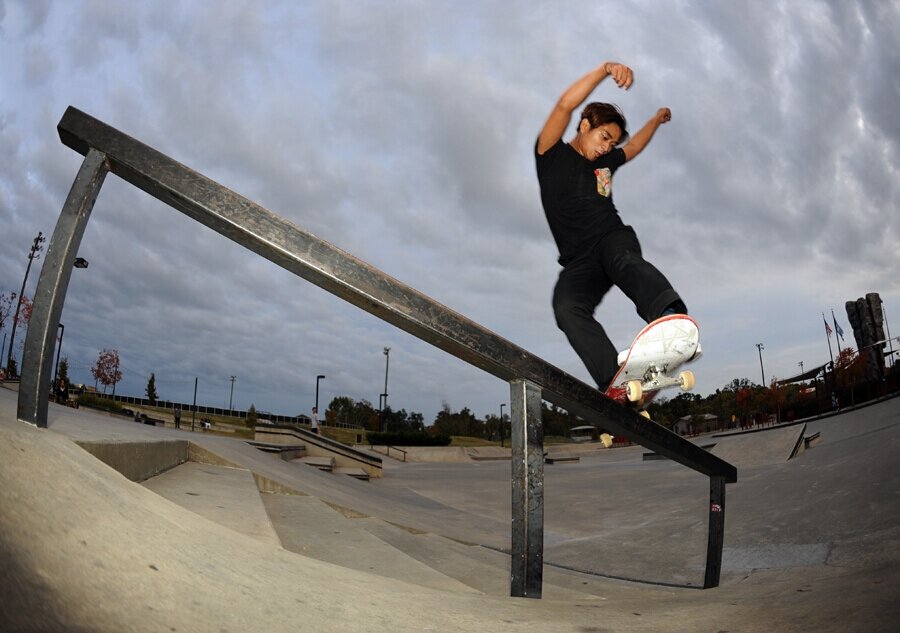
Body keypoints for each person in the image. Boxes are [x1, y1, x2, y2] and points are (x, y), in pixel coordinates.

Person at [535, 60, 687, 395]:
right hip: (580, 263)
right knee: (565, 306)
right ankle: (614, 383)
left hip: (611, 239)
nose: (606, 147)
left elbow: (633, 147)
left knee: (624, 261)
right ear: (585, 125)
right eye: (604, 137)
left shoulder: (606, 162)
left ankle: (668, 315)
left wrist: (656, 120)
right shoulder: (550, 153)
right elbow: (564, 104)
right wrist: (605, 69)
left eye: (611, 142)